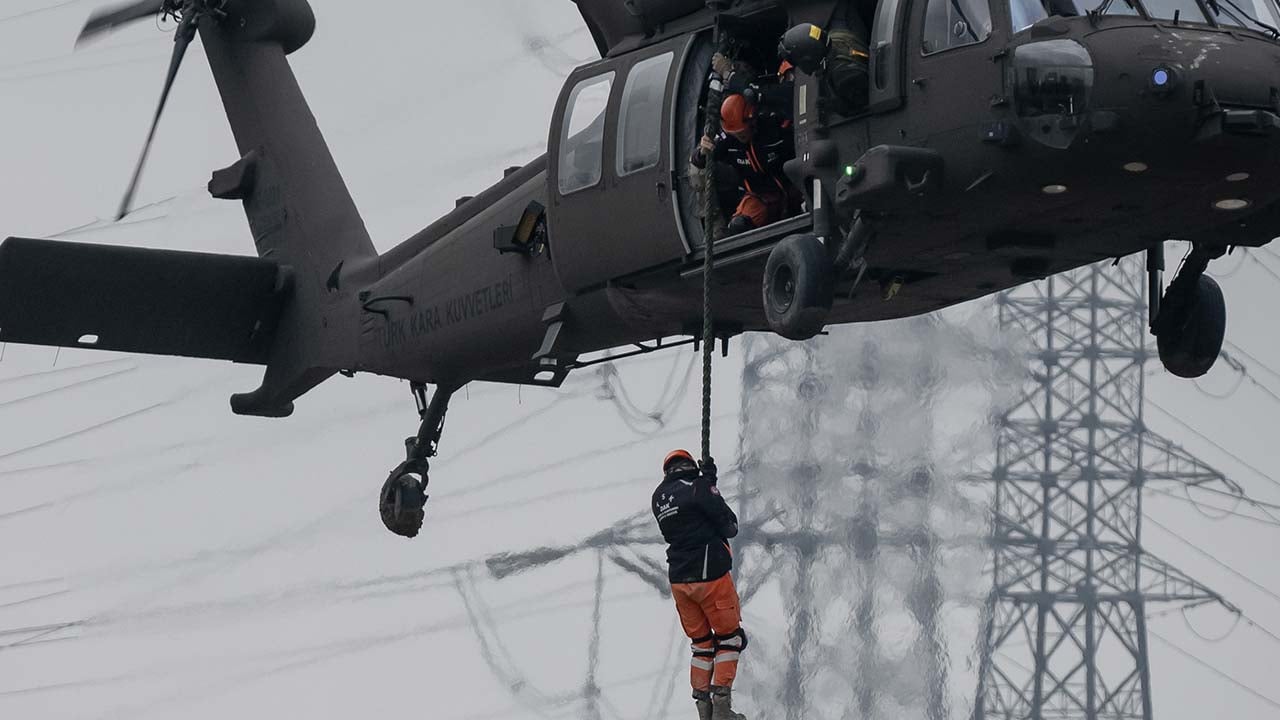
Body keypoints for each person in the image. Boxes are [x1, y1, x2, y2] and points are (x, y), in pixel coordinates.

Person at [652, 449, 748, 720]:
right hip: (710, 575)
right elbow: (729, 526)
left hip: (680, 582)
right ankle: (721, 710)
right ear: (690, 466)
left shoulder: (658, 498)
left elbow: (690, 515)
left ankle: (703, 710)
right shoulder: (697, 487)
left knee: (702, 644)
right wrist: (709, 486)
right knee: (730, 638)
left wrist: (708, 485)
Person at [691, 93, 800, 236]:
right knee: (738, 226)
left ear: (752, 120)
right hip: (760, 198)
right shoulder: (727, 140)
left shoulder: (773, 128)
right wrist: (702, 152)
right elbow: (700, 160)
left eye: (742, 133)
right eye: (734, 134)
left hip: (793, 188)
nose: (739, 137)